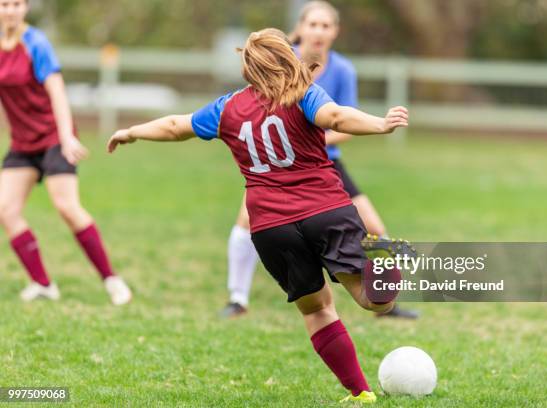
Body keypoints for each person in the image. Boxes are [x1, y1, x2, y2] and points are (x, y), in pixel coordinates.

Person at [108, 28, 409, 403]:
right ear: (286, 56)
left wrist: (131, 131)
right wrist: (380, 124)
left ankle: (360, 393)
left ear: (249, 67)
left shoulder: (227, 108)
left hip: (270, 227)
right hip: (325, 210)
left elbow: (174, 126)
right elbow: (336, 117)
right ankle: (389, 266)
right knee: (376, 300)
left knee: (317, 310)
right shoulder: (303, 94)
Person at [221, 0, 418, 320]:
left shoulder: (342, 70)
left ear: (335, 32)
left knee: (375, 227)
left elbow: (343, 123)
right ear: (300, 28)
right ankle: (237, 299)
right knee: (245, 220)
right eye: (313, 24)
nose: (318, 31)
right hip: (276, 167)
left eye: (326, 26)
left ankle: (382, 301)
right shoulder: (280, 61)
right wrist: (291, 142)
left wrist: (309, 140)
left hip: (325, 165)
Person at [0, 0, 131, 305]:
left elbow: (57, 91)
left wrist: (65, 137)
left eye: (16, 4)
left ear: (26, 8)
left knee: (67, 208)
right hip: (23, 143)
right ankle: (43, 284)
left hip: (53, 137)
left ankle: (112, 280)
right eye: (4, 4)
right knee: (5, 210)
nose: (10, 10)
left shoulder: (35, 43)